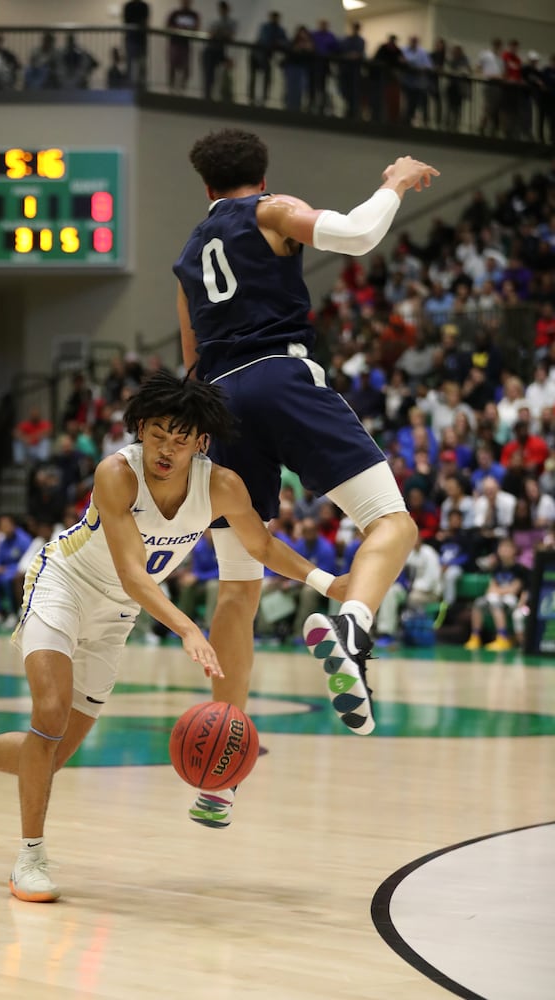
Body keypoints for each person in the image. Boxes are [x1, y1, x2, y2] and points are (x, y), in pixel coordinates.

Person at [0, 373, 349, 902]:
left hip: (117, 615)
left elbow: (260, 544)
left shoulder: (222, 486)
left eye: (181, 438)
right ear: (140, 428)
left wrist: (329, 582)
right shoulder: (116, 473)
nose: (168, 449)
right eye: (159, 434)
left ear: (201, 443)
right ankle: (30, 857)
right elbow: (134, 574)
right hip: (65, 584)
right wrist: (189, 627)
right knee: (48, 714)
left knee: (50, 756)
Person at [173, 128, 438, 773]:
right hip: (279, 377)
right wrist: (394, 182)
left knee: (238, 585)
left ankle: (222, 761)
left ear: (206, 187)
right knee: (393, 523)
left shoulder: (186, 259)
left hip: (216, 403)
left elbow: (189, 359)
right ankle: (352, 623)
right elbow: (353, 234)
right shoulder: (268, 210)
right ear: (260, 176)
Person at [165, 0, 200, 93]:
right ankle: (171, 87)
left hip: (186, 44)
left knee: (185, 67)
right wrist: (177, 29)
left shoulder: (193, 14)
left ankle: (182, 88)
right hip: (175, 42)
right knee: (173, 64)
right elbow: (168, 26)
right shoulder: (175, 13)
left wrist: (188, 29)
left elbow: (196, 28)